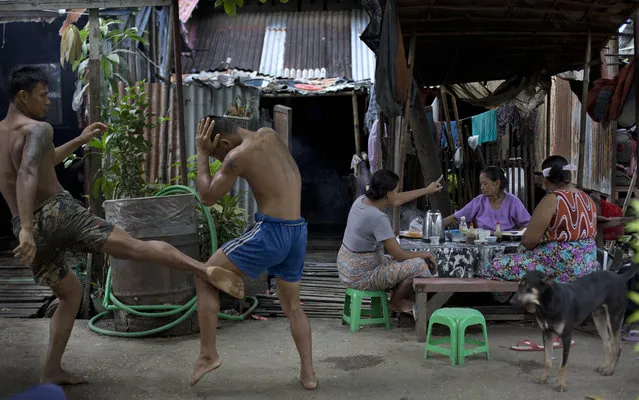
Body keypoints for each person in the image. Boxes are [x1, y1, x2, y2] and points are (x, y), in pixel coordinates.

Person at [0, 66, 243, 386]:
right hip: (54, 214)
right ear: (22, 96)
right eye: (43, 96)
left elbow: (39, 165)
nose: (48, 102)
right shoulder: (38, 128)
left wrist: (80, 140)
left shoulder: (4, 133)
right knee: (135, 247)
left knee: (70, 294)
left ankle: (51, 369)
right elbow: (31, 174)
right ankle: (203, 269)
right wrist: (29, 229)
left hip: (24, 225)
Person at [192, 115, 317, 390]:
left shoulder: (237, 156)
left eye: (216, 154)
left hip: (272, 233)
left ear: (224, 142)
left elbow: (208, 196)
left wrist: (201, 154)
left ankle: (208, 354)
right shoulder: (268, 134)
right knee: (293, 306)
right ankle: (308, 375)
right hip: (297, 231)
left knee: (203, 274)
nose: (218, 160)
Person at [337, 169, 442, 315]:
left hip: (346, 267)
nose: (398, 193)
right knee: (418, 264)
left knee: (403, 261)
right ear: (387, 194)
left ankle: (397, 298)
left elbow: (397, 199)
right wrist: (425, 254)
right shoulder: (378, 217)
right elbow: (399, 255)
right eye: (396, 190)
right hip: (362, 275)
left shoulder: (361, 200)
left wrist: (426, 190)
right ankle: (396, 302)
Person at [478, 155, 599, 283]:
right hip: (587, 265)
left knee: (495, 265)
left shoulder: (553, 200)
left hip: (560, 267)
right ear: (569, 176)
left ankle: (503, 301)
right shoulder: (588, 199)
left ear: (545, 180)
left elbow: (529, 240)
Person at [443, 166, 531, 232]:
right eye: (481, 184)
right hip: (482, 243)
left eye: (485, 184)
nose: (482, 187)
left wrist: (516, 235)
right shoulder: (479, 201)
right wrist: (437, 225)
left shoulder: (513, 202)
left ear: (497, 183)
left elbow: (528, 224)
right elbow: (457, 217)